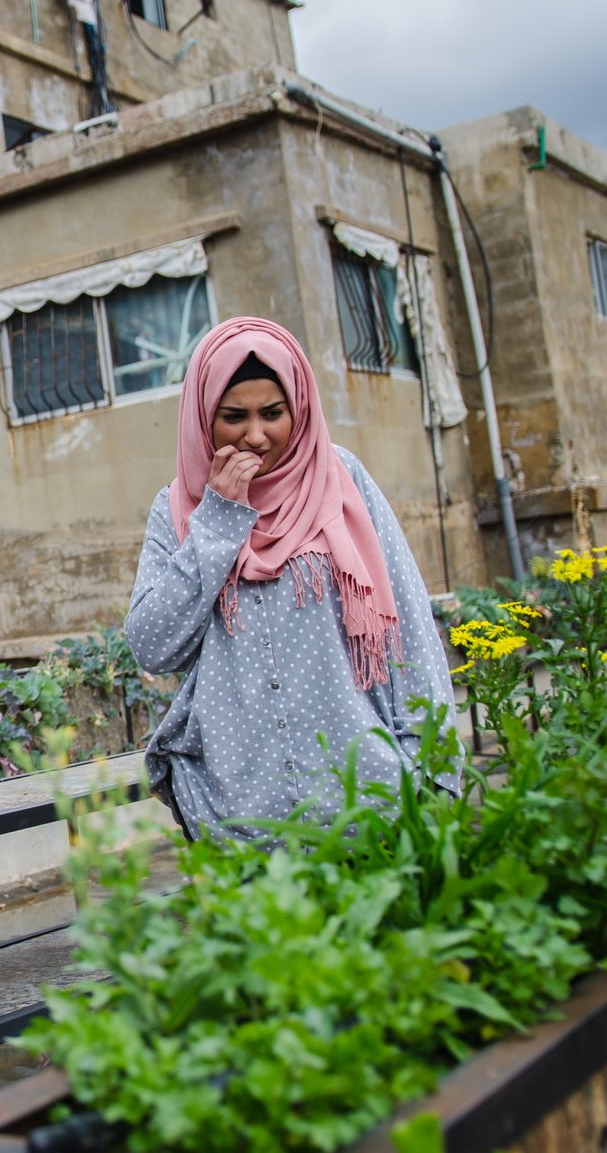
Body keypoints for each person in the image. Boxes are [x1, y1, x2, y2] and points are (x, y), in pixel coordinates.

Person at [125, 317, 453, 842]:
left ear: (298, 409)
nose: (256, 436)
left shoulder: (340, 484)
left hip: (369, 808)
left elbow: (408, 631)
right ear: (203, 420)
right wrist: (217, 522)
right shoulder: (179, 511)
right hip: (237, 820)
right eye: (234, 417)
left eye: (273, 414)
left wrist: (434, 775)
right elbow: (152, 648)